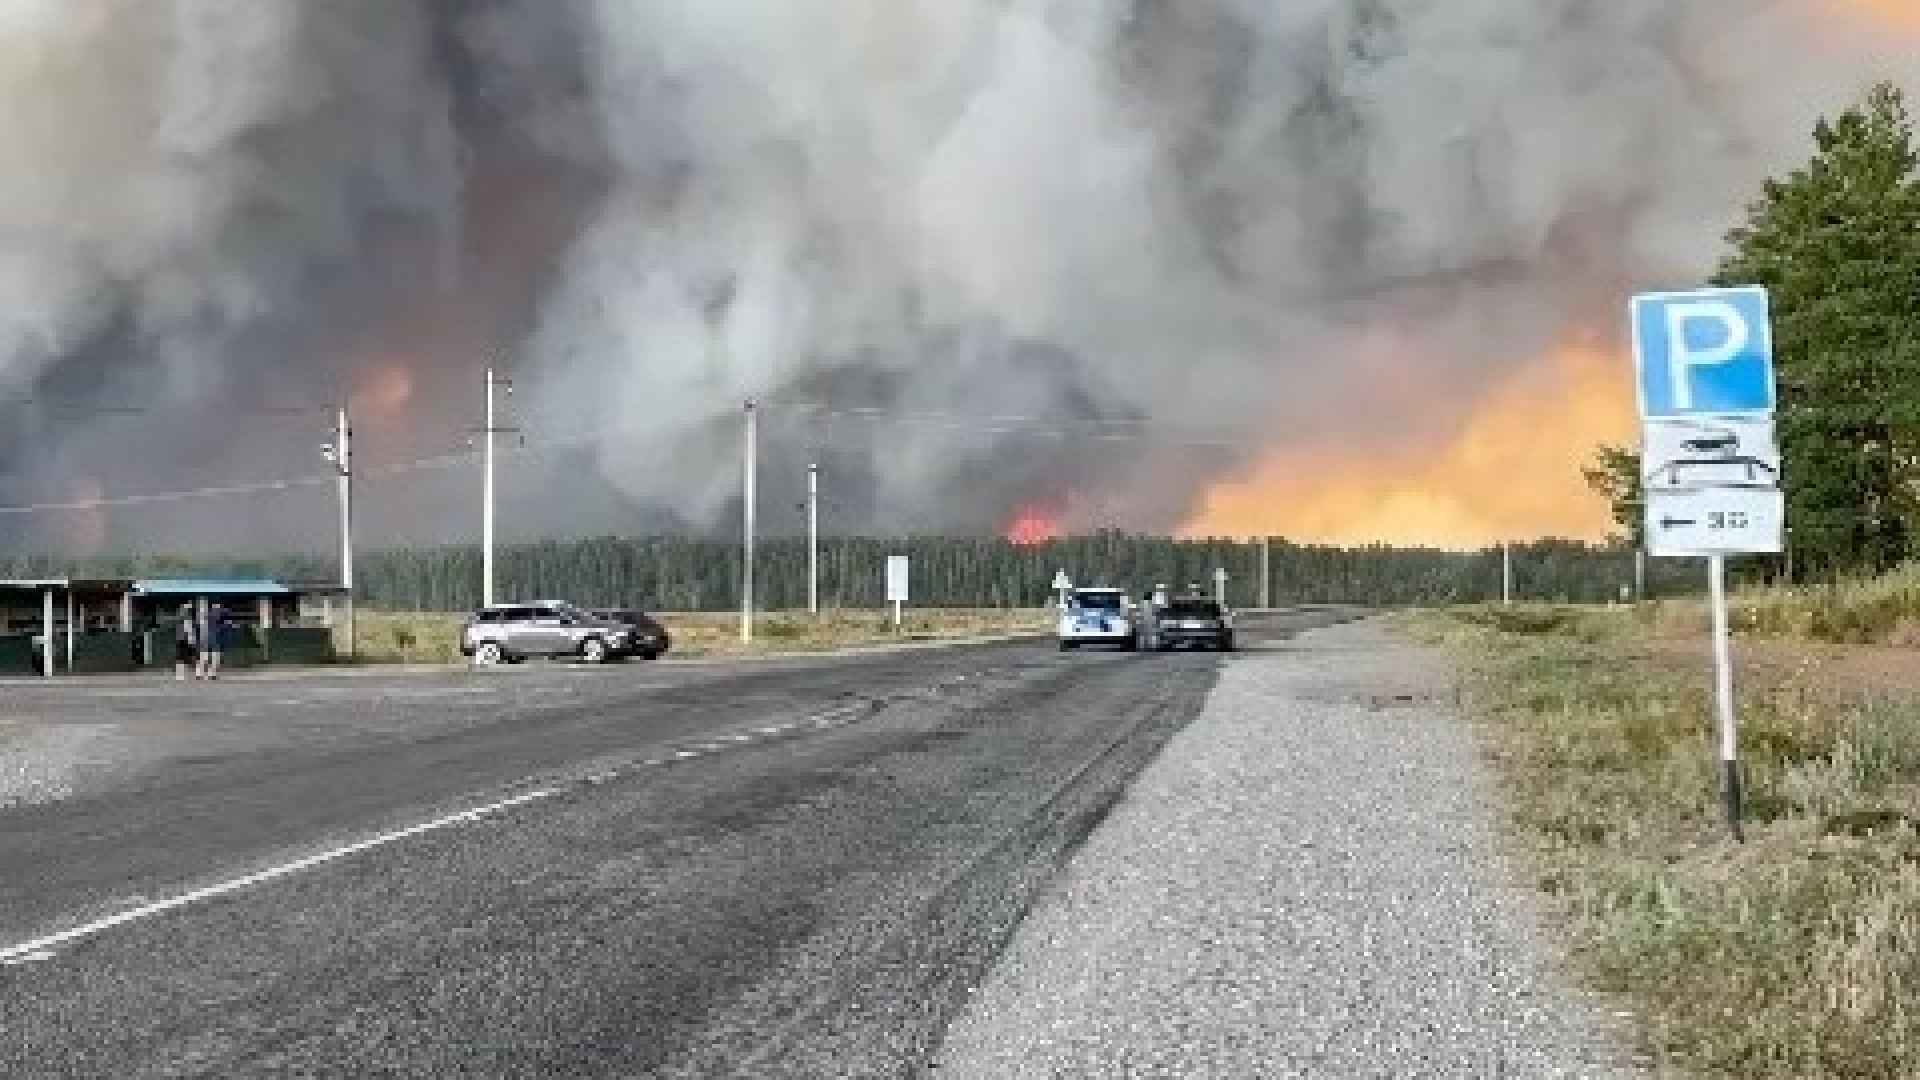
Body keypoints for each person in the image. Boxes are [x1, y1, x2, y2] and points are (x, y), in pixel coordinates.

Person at [195, 602, 226, 681]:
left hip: (208, 639)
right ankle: (205, 673)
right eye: (217, 610)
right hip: (209, 639)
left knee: (208, 657)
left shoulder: (206, 617)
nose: (218, 612)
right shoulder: (211, 617)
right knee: (209, 657)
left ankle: (204, 673)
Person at [172, 603, 199, 681]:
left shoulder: (191, 620)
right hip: (183, 640)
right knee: (181, 657)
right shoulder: (181, 619)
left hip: (188, 640)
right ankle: (181, 674)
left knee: (191, 657)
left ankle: (193, 673)